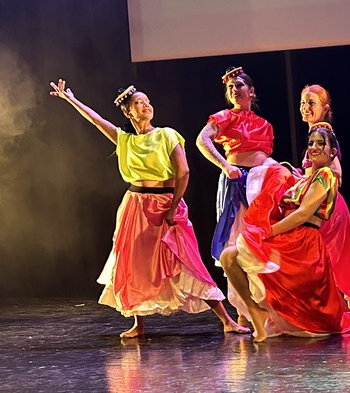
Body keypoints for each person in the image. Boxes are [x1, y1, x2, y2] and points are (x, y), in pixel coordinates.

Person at [49, 80, 245, 338]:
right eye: (139, 103)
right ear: (128, 112)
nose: (146, 105)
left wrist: (173, 207)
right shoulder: (125, 140)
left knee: (187, 261)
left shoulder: (166, 134)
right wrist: (71, 99)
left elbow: (183, 172)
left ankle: (226, 320)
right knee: (133, 263)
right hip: (135, 205)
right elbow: (97, 121)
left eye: (147, 101)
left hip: (166, 203)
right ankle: (138, 324)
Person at [218, 123, 350, 342]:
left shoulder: (326, 175)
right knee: (228, 257)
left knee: (234, 254)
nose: (314, 147)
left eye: (320, 144)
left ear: (332, 151)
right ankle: (256, 312)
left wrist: (268, 232)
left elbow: (302, 214)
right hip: (289, 239)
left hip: (302, 244)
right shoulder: (307, 179)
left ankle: (266, 311)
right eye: (310, 143)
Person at [297, 85, 350, 313]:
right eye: (303, 103)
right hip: (327, 203)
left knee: (324, 256)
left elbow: (337, 171)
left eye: (312, 103)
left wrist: (315, 182)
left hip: (325, 205)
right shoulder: (318, 134)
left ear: (325, 108)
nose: (305, 107)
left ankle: (335, 306)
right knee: (338, 257)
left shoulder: (322, 133)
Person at [197, 67, 275, 264]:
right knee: (237, 236)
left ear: (251, 91)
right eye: (230, 87)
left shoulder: (265, 125)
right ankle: (237, 283)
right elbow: (202, 140)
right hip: (236, 179)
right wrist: (225, 166)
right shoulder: (226, 116)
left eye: (239, 85)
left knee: (261, 238)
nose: (234, 90)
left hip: (260, 183)